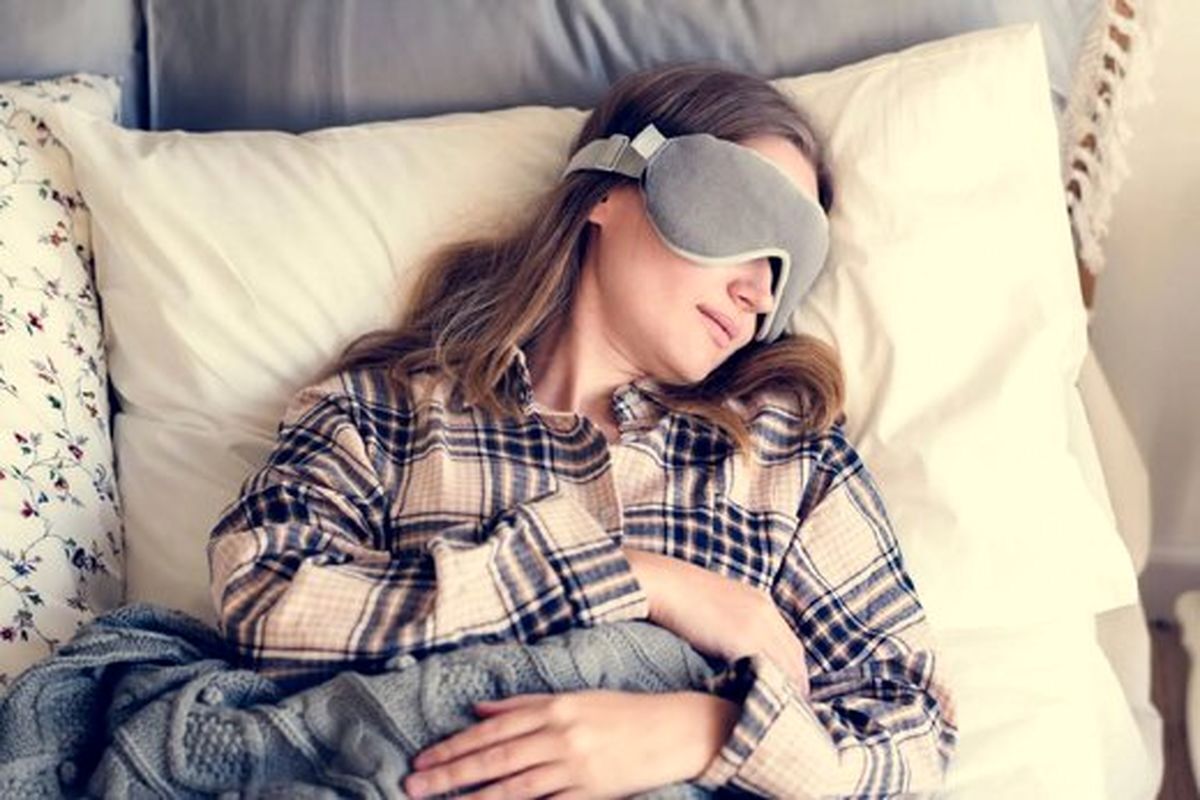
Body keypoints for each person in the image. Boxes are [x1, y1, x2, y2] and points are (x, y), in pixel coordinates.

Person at [207, 62, 958, 799]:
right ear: (607, 190)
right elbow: (264, 604)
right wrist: (640, 580)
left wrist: (699, 732)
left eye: (787, 266)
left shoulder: (787, 458)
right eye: (745, 220)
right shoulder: (382, 414)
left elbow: (912, 728)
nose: (759, 292)